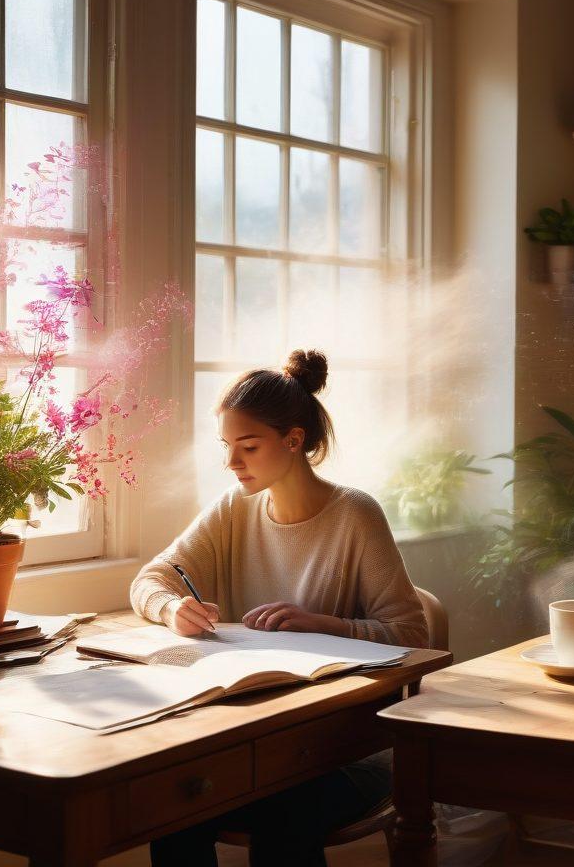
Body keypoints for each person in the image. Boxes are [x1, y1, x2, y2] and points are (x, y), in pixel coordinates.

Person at [131, 348, 428, 867]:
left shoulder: (355, 515)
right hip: (257, 741)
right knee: (170, 808)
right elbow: (150, 579)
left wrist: (328, 625)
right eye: (227, 446)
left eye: (248, 446)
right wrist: (171, 607)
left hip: (347, 748)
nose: (232, 463)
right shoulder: (233, 508)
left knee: (279, 816)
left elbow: (413, 635)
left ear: (293, 441)